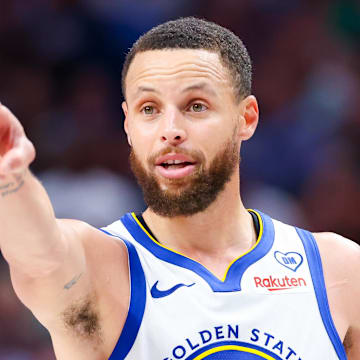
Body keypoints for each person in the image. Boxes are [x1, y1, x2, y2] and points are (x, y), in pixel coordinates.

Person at [0, 17, 358, 360]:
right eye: (149, 108)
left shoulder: (338, 270)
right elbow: (39, 256)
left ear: (245, 118)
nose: (170, 129)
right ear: (127, 125)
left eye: (196, 106)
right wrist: (10, 178)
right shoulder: (100, 269)